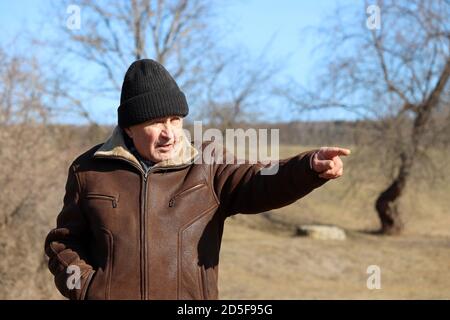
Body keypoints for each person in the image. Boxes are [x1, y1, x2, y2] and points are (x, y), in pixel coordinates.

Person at [44, 59, 350, 300]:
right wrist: (87, 288)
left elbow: (261, 181)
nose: (169, 132)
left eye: (175, 119)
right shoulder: (88, 170)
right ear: (129, 128)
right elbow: (63, 242)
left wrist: (308, 166)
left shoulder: (209, 163)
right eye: (155, 122)